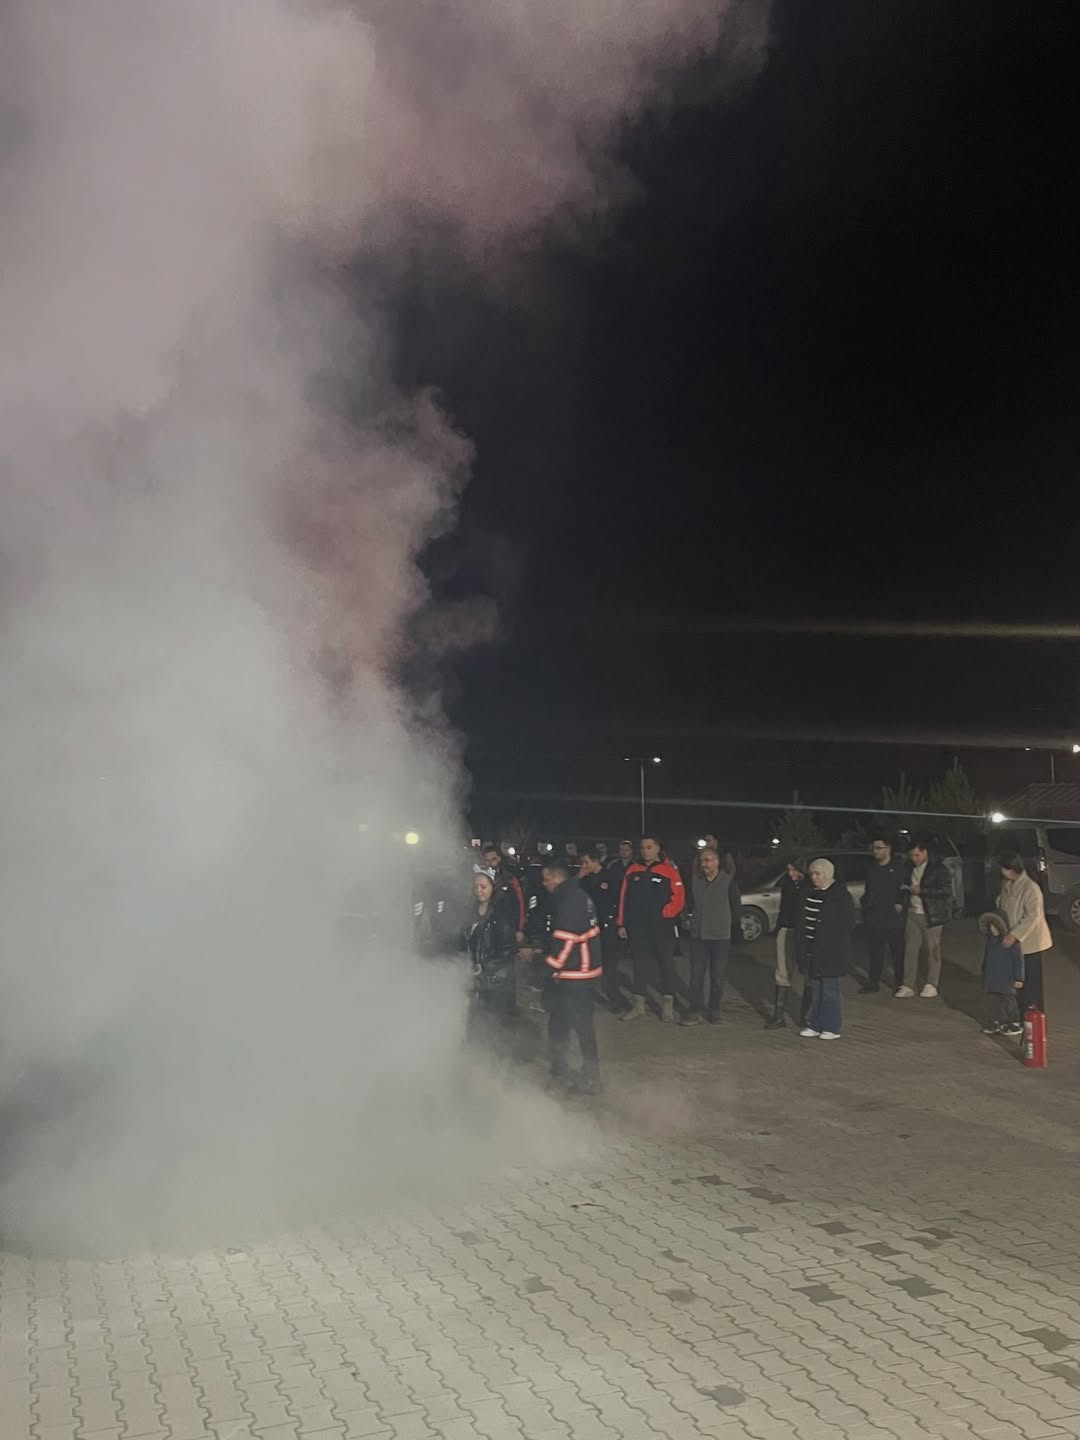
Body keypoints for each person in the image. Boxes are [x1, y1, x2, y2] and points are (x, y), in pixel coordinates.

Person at [541, 858, 602, 1093]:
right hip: (583, 972)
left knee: (565, 1027)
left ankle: (568, 1075)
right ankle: (585, 1075)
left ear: (558, 878)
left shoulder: (569, 902)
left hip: (575, 974)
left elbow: (565, 943)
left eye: (546, 879)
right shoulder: (578, 896)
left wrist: (546, 970)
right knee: (573, 1026)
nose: (544, 884)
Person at [616, 837, 686, 1022]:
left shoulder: (669, 871)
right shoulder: (632, 870)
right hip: (638, 928)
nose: (645, 851)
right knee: (639, 966)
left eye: (649, 847)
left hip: (662, 928)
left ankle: (667, 1006)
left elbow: (679, 897)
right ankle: (638, 1006)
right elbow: (623, 898)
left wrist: (666, 913)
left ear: (657, 849)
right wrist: (621, 923)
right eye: (642, 848)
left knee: (666, 966)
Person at [797, 857, 855, 1039]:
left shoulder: (840, 896)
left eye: (818, 874)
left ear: (828, 874)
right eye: (812, 874)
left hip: (831, 952)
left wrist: (832, 938)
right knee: (814, 988)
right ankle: (813, 1023)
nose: (814, 877)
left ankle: (831, 1026)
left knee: (829, 989)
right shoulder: (808, 894)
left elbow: (848, 923)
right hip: (811, 950)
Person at [682, 846, 739, 1024]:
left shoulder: (728, 882)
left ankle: (714, 1009)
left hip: (720, 937)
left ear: (716, 862)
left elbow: (736, 908)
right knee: (696, 976)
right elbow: (687, 903)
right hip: (698, 936)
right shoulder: (695, 881)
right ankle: (694, 1009)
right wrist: (687, 919)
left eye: (707, 860)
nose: (704, 864)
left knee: (717, 976)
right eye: (702, 861)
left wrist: (726, 924)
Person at [997, 851, 1052, 1018]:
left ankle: (1033, 1018)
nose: (1001, 871)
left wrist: (1014, 935)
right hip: (1014, 943)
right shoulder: (1007, 885)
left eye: (1003, 868)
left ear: (1011, 868)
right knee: (1017, 981)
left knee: (1031, 983)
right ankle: (1020, 1015)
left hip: (1031, 943)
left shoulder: (1031, 888)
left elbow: (1033, 916)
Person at [897, 837, 952, 998]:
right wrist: (901, 900)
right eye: (912, 856)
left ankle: (932, 983)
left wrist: (922, 891)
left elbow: (946, 891)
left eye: (917, 855)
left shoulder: (938, 869)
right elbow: (903, 887)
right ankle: (908, 984)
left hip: (931, 915)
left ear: (925, 852)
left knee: (932, 950)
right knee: (910, 949)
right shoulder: (909, 868)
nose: (914, 859)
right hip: (912, 912)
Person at [467, 870, 519, 1034]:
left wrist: (484, 966)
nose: (479, 891)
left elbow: (508, 950)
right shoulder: (469, 913)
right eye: (476, 887)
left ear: (493, 888)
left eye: (483, 887)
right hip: (476, 980)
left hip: (496, 982)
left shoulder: (501, 915)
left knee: (493, 1024)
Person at [577, 847, 625, 1012]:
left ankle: (616, 1000)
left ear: (596, 861)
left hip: (608, 926)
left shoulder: (610, 877)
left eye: (586, 862)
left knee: (610, 966)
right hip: (590, 927)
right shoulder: (584, 880)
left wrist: (619, 923)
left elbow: (619, 900)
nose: (583, 866)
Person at [860, 834, 906, 994]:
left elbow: (904, 888)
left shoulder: (899, 868)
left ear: (888, 849)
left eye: (879, 848)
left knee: (897, 952)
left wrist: (900, 903)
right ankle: (873, 983)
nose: (875, 851)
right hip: (875, 916)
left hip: (893, 917)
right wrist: (867, 906)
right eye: (874, 848)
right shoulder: (871, 869)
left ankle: (900, 983)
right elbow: (868, 890)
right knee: (875, 952)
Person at [766, 857, 808, 1029]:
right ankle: (778, 1015)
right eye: (788, 870)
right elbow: (783, 907)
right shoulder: (787, 884)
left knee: (807, 973)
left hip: (803, 931)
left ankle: (806, 1016)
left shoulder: (808, 885)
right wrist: (779, 927)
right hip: (786, 928)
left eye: (793, 870)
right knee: (782, 971)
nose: (790, 873)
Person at [977, 909, 1025, 1037]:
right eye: (991, 926)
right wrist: (984, 973)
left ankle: (1013, 1022)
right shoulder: (990, 942)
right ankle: (996, 1021)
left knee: (1008, 1001)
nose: (993, 929)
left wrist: (1019, 978)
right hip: (992, 979)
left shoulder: (1012, 943)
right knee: (993, 1002)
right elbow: (986, 958)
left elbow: (1018, 962)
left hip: (1006, 979)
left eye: (995, 926)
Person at [481, 842, 527, 944]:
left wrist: (520, 929)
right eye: (487, 860)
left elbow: (520, 903)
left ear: (499, 859)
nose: (490, 863)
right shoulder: (478, 879)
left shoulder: (509, 879)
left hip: (506, 928)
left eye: (493, 859)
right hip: (484, 927)